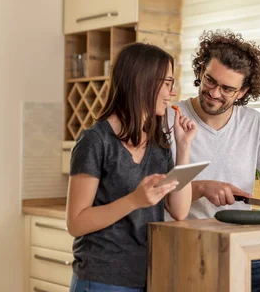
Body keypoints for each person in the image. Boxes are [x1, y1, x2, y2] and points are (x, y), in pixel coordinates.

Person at [167, 30, 260, 292]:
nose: (214, 92)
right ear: (200, 71)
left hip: (242, 247)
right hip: (182, 247)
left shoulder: (253, 123)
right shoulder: (169, 118)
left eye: (227, 89)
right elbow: (151, 192)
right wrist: (200, 188)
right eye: (210, 80)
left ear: (242, 92)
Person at [66, 43, 197, 292]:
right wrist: (135, 200)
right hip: (102, 278)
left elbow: (179, 210)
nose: (172, 91)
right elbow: (76, 222)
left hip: (147, 276)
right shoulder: (95, 141)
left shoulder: (159, 142)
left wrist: (184, 147)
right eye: (168, 83)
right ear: (144, 82)